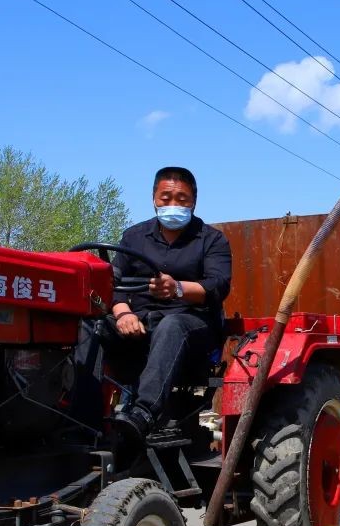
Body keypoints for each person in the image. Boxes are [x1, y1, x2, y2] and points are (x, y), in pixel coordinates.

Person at [81, 166, 232, 446]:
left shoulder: (212, 240)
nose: (173, 204)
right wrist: (123, 312)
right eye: (166, 198)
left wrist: (177, 288)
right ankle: (83, 417)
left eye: (182, 199)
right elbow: (112, 282)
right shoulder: (133, 237)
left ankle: (143, 413)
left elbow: (218, 286)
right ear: (154, 198)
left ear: (193, 201)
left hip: (192, 324)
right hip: (140, 321)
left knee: (171, 325)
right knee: (91, 327)